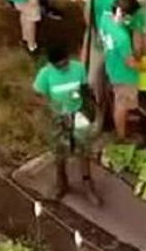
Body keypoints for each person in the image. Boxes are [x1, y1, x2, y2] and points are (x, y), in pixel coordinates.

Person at [32, 44, 100, 204]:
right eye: (59, 66)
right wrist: (51, 106)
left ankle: (88, 186)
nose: (63, 68)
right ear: (51, 64)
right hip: (58, 118)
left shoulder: (78, 68)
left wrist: (89, 108)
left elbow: (85, 89)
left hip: (78, 114)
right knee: (60, 152)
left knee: (84, 150)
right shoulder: (45, 74)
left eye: (65, 64)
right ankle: (62, 184)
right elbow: (37, 96)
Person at [98, 0, 143, 140]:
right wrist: (144, 68)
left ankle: (123, 125)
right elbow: (129, 62)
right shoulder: (122, 38)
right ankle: (121, 136)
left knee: (120, 101)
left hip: (112, 67)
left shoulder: (105, 19)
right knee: (121, 105)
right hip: (125, 75)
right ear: (123, 14)